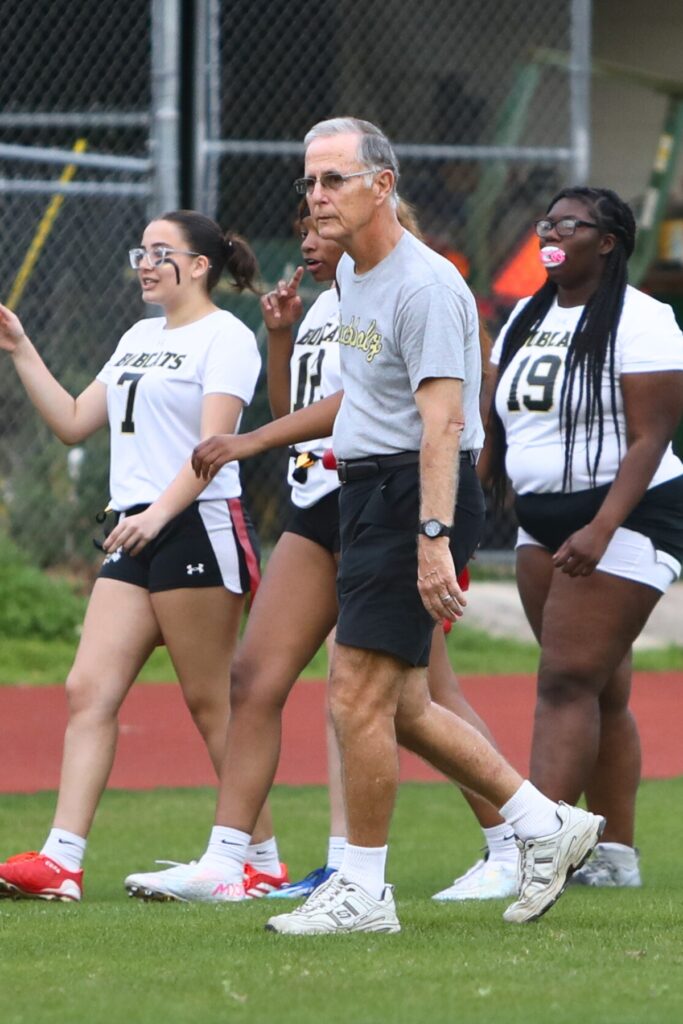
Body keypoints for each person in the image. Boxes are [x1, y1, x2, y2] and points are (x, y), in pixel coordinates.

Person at [137, 118, 604, 935]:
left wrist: (430, 542)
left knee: (353, 692)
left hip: (410, 496)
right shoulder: (353, 276)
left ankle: (363, 893)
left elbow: (441, 425)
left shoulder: (425, 286)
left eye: (333, 180)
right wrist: (253, 438)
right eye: (309, 182)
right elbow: (362, 399)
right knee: (406, 705)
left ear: (380, 186)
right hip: (364, 490)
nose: (315, 196)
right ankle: (542, 823)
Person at [124, 201, 518, 907]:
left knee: (411, 694)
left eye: (318, 226)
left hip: (387, 498)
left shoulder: (400, 293)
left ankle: (512, 842)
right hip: (320, 500)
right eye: (302, 224)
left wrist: (248, 443)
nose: (306, 238)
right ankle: (228, 860)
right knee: (256, 676)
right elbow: (293, 412)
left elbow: (358, 406)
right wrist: (280, 338)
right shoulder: (322, 305)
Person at [0, 210, 274, 901]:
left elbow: (212, 451)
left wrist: (157, 514)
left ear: (201, 265)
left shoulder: (228, 337)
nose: (145, 264)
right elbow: (70, 423)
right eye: (141, 252)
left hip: (195, 525)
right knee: (87, 689)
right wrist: (21, 346)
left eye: (161, 253)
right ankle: (61, 862)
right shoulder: (138, 334)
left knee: (210, 701)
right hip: (133, 529)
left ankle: (257, 861)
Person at [484, 186, 683, 887]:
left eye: (570, 224)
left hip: (625, 514)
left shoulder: (642, 317)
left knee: (564, 680)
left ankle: (536, 850)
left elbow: (650, 435)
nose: (552, 232)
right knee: (597, 688)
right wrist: (484, 473)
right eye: (547, 221)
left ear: (606, 242)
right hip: (542, 521)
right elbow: (502, 411)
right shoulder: (526, 316)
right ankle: (615, 857)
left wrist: (601, 527)